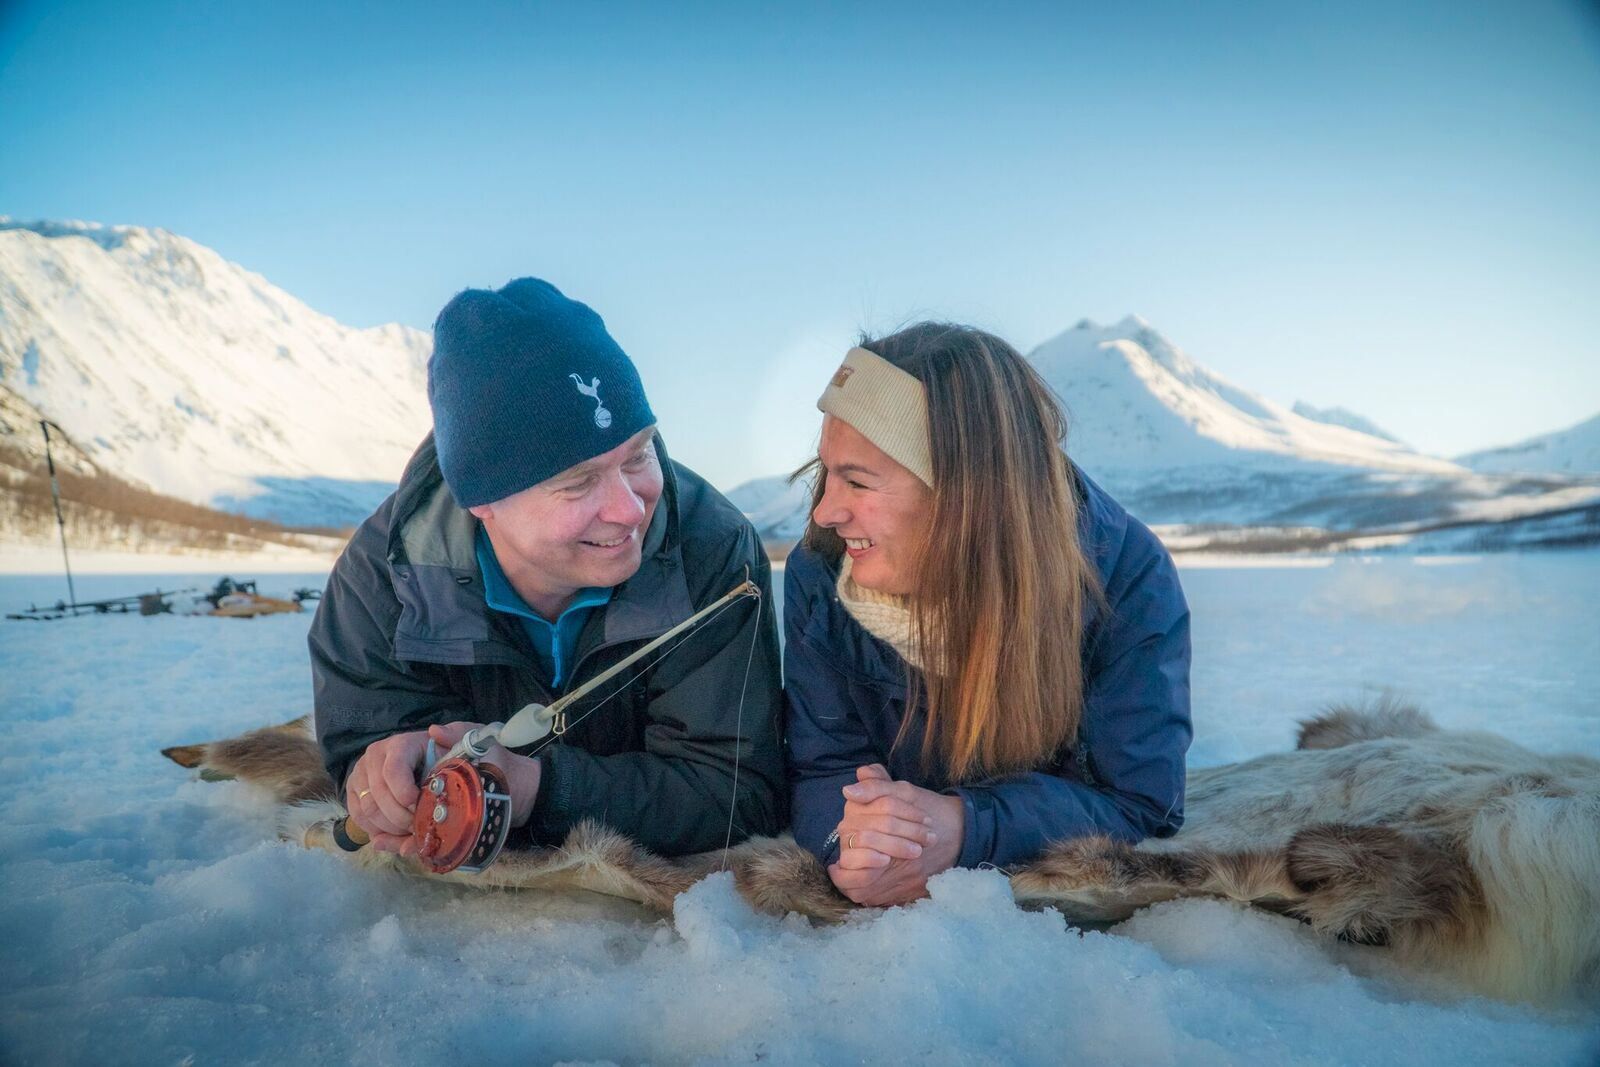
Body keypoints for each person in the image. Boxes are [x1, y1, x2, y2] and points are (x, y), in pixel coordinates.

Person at [310, 278, 784, 858]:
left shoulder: (712, 553)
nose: (630, 509)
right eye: (578, 482)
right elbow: (358, 743)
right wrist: (384, 775)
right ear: (481, 501)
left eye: (638, 454)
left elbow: (735, 790)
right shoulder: (388, 576)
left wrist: (540, 788)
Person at [785, 323, 1191, 906]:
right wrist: (851, 838)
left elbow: (1139, 800)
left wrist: (965, 828)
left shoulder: (1124, 575)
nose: (825, 512)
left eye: (858, 481)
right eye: (828, 472)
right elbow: (822, 767)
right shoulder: (822, 571)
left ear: (964, 494)